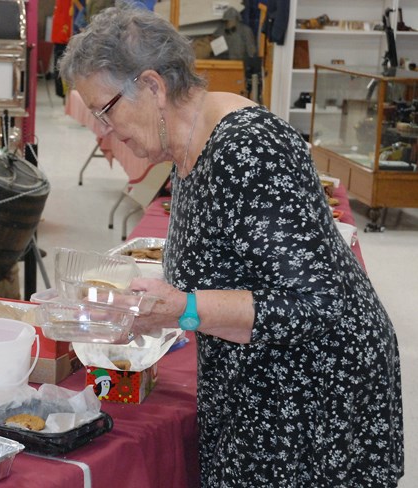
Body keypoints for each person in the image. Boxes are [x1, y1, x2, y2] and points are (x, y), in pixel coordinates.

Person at [59, 4, 404, 486]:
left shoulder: (248, 149)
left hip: (314, 399)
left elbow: (315, 305)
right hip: (259, 387)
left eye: (105, 110)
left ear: (154, 87)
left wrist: (184, 307)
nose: (102, 130)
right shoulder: (184, 147)